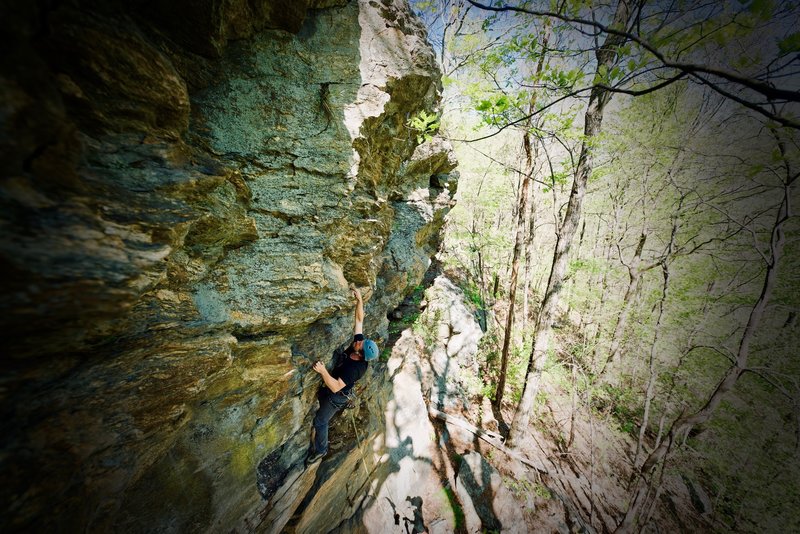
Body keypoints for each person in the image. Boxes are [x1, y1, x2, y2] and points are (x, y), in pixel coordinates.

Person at [307, 287, 379, 465]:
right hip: (334, 388)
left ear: (361, 355)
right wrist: (360, 301)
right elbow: (359, 319)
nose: (358, 341)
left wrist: (323, 371)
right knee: (320, 397)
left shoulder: (355, 368)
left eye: (360, 344)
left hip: (337, 396)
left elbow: (336, 387)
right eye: (361, 341)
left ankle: (321, 450)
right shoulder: (358, 345)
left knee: (320, 421)